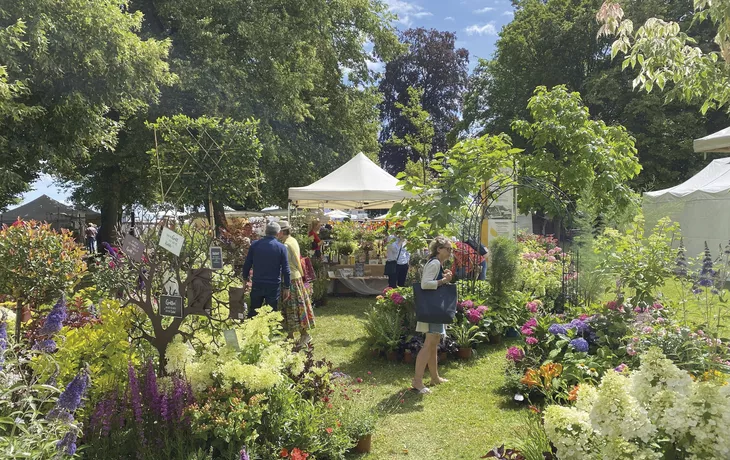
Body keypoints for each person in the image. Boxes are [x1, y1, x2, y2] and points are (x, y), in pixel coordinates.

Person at [412, 236, 454, 394]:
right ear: (439, 249)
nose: (450, 252)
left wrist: (444, 278)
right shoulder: (435, 263)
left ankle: (435, 377)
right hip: (432, 309)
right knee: (429, 343)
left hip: (434, 309)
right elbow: (425, 284)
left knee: (434, 341)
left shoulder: (437, 263)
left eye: (451, 249)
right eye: (448, 249)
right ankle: (417, 381)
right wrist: (443, 281)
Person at [277, 221, 315, 345]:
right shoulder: (292, 240)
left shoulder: (286, 245)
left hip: (291, 279)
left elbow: (285, 266)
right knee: (292, 307)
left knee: (295, 308)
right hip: (296, 277)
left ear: (281, 232)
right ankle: (290, 335)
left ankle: (304, 335)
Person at [242, 221, 291, 317]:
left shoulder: (255, 245)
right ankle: (270, 331)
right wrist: (287, 287)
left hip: (258, 282)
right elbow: (286, 269)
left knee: (254, 311)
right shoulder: (281, 247)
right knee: (271, 313)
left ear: (265, 232)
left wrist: (244, 279)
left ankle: (252, 330)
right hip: (273, 284)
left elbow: (247, 263)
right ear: (278, 233)